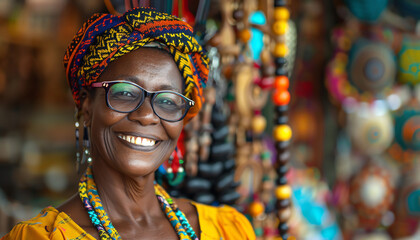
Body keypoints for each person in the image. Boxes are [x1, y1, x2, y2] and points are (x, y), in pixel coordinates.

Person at [2, 8, 255, 240]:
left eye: (167, 101)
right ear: (87, 108)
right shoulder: (42, 237)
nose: (146, 115)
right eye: (124, 93)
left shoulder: (226, 230)